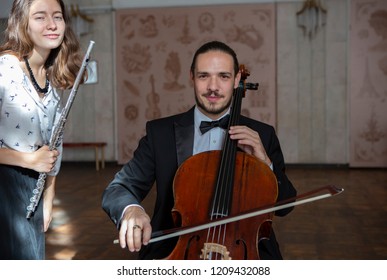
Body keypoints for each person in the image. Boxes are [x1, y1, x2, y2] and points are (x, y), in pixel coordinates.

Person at [102, 40, 297, 260]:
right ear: (192, 78)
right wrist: (131, 210)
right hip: (177, 251)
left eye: (223, 76)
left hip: (246, 253)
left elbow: (285, 207)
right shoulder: (160, 133)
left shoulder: (262, 135)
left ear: (236, 81)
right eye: (204, 76)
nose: (213, 87)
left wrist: (265, 163)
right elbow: (119, 187)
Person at [0, 0, 84, 259]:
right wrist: (28, 159)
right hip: (5, 188)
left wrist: (49, 197)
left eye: (57, 16)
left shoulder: (50, 78)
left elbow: (52, 148)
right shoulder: (5, 70)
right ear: (22, 23)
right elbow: (37, 158)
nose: (51, 24)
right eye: (40, 17)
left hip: (32, 187)